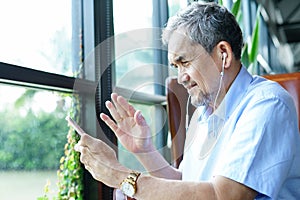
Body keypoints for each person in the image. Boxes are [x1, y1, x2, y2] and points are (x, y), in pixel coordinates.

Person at [74, 1, 300, 199]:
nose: (180, 78)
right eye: (175, 66)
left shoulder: (267, 104)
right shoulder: (205, 112)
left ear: (223, 54)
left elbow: (225, 196)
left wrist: (120, 176)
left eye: (185, 63)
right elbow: (188, 185)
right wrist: (144, 150)